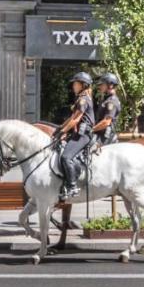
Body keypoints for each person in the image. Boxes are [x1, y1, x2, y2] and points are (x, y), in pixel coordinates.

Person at [56, 72, 95, 202]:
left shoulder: (83, 100)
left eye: (75, 83)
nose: (73, 85)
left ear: (83, 85)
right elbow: (71, 118)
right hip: (78, 133)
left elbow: (76, 119)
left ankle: (72, 186)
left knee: (66, 157)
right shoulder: (80, 98)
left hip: (83, 135)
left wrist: (63, 132)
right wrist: (60, 128)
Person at [91, 73, 122, 148]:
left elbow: (106, 122)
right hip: (100, 134)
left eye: (102, 84)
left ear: (110, 85)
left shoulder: (112, 101)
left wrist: (92, 129)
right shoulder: (106, 99)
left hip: (105, 137)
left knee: (90, 150)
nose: (100, 86)